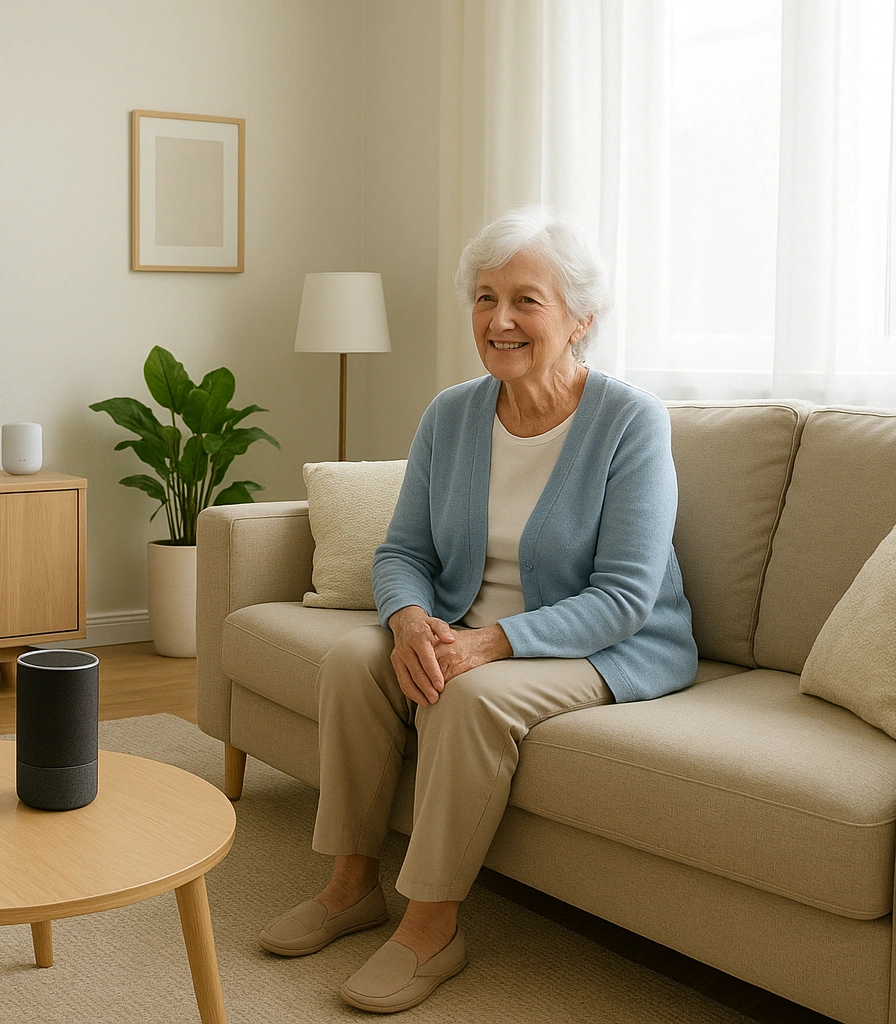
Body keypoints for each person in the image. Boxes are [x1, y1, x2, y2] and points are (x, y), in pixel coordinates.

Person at [258, 206, 698, 1013]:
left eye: (526, 300)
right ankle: (353, 884)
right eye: (485, 298)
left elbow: (627, 595)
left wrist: (489, 643)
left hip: (603, 642)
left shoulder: (631, 422)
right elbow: (403, 553)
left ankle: (431, 926)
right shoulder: (452, 413)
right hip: (468, 626)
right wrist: (408, 621)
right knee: (357, 659)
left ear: (579, 320)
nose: (500, 320)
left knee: (467, 693)